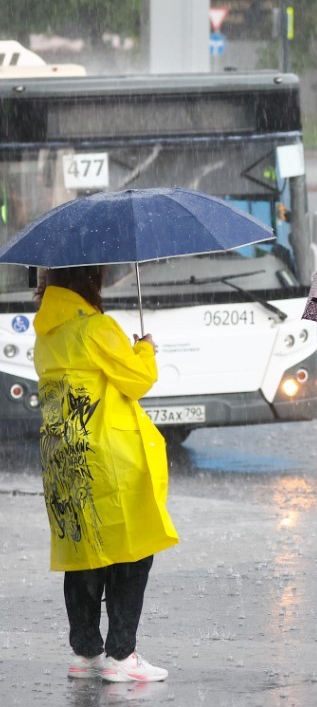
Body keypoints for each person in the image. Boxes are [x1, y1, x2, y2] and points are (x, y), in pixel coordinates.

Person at [33, 265, 178, 682]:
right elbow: (138, 380)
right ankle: (121, 656)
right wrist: (145, 349)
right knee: (131, 547)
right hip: (109, 457)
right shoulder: (96, 328)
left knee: (83, 548)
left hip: (64, 457)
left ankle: (85, 651)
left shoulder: (47, 335)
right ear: (89, 282)